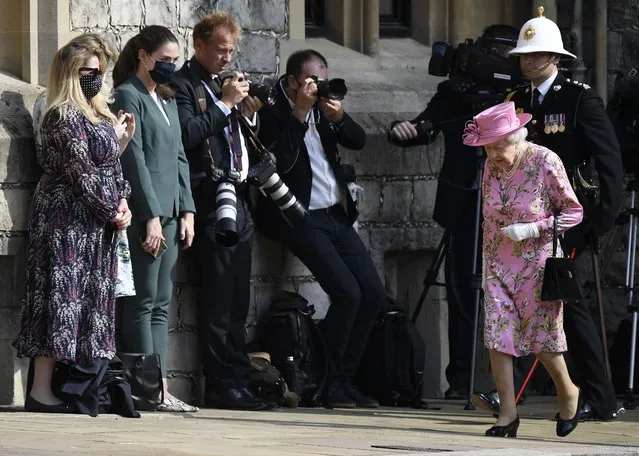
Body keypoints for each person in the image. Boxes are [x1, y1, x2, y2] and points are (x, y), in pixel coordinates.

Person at [473, 8, 624, 422]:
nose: (528, 61)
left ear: (555, 58)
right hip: (520, 229)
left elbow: (608, 161)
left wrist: (601, 220)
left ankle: (598, 395)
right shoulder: (515, 101)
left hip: (564, 223)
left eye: (537, 54)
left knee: (565, 308)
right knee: (528, 307)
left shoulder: (578, 98)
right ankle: (518, 397)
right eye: (524, 54)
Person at [388, 24, 520, 400]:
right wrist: (406, 130)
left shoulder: (518, 94)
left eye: (505, 55)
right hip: (464, 204)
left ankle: (512, 382)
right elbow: (426, 126)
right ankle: (461, 380)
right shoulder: (454, 93)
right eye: (494, 52)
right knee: (463, 289)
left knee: (511, 292)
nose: (497, 61)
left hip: (511, 210)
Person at [255, 49, 386, 409]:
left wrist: (339, 117)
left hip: (335, 213)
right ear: (294, 81)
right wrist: (299, 114)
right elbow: (275, 162)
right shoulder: (271, 110)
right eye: (313, 80)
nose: (319, 87)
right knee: (347, 294)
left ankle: (342, 379)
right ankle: (322, 378)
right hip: (300, 217)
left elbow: (358, 140)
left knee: (372, 294)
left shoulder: (325, 110)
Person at [12, 34, 134, 413]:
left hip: (95, 224)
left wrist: (124, 201)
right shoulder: (61, 115)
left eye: (99, 71)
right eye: (87, 71)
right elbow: (82, 171)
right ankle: (40, 392)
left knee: (86, 305)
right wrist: (110, 207)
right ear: (68, 72)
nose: (94, 77)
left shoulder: (98, 114)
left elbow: (111, 167)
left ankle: (71, 386)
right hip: (65, 220)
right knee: (59, 301)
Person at [463, 101, 583, 437]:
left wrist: (533, 229)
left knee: (541, 337)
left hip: (538, 262)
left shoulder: (544, 160)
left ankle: (568, 391)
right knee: (497, 335)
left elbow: (574, 212)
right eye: (488, 149)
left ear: (518, 138)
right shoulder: (492, 164)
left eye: (500, 147)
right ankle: (507, 414)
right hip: (497, 261)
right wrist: (489, 257)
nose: (495, 156)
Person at [171, 11, 270, 410]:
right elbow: (187, 135)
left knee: (237, 296)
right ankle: (220, 383)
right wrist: (225, 105)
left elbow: (237, 137)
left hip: (240, 197)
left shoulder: (220, 84)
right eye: (220, 50)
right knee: (216, 296)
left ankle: (238, 377)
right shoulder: (182, 85)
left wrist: (247, 112)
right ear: (199, 45)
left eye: (232, 51)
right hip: (209, 199)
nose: (227, 58)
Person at [111, 25, 198, 413]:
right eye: (165, 60)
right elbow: (135, 162)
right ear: (144, 56)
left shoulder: (166, 96)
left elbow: (180, 156)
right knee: (141, 301)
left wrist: (188, 209)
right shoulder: (128, 95)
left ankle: (159, 385)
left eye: (175, 61)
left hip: (172, 214)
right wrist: (149, 216)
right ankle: (142, 388)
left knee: (162, 300)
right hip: (148, 215)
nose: (171, 67)